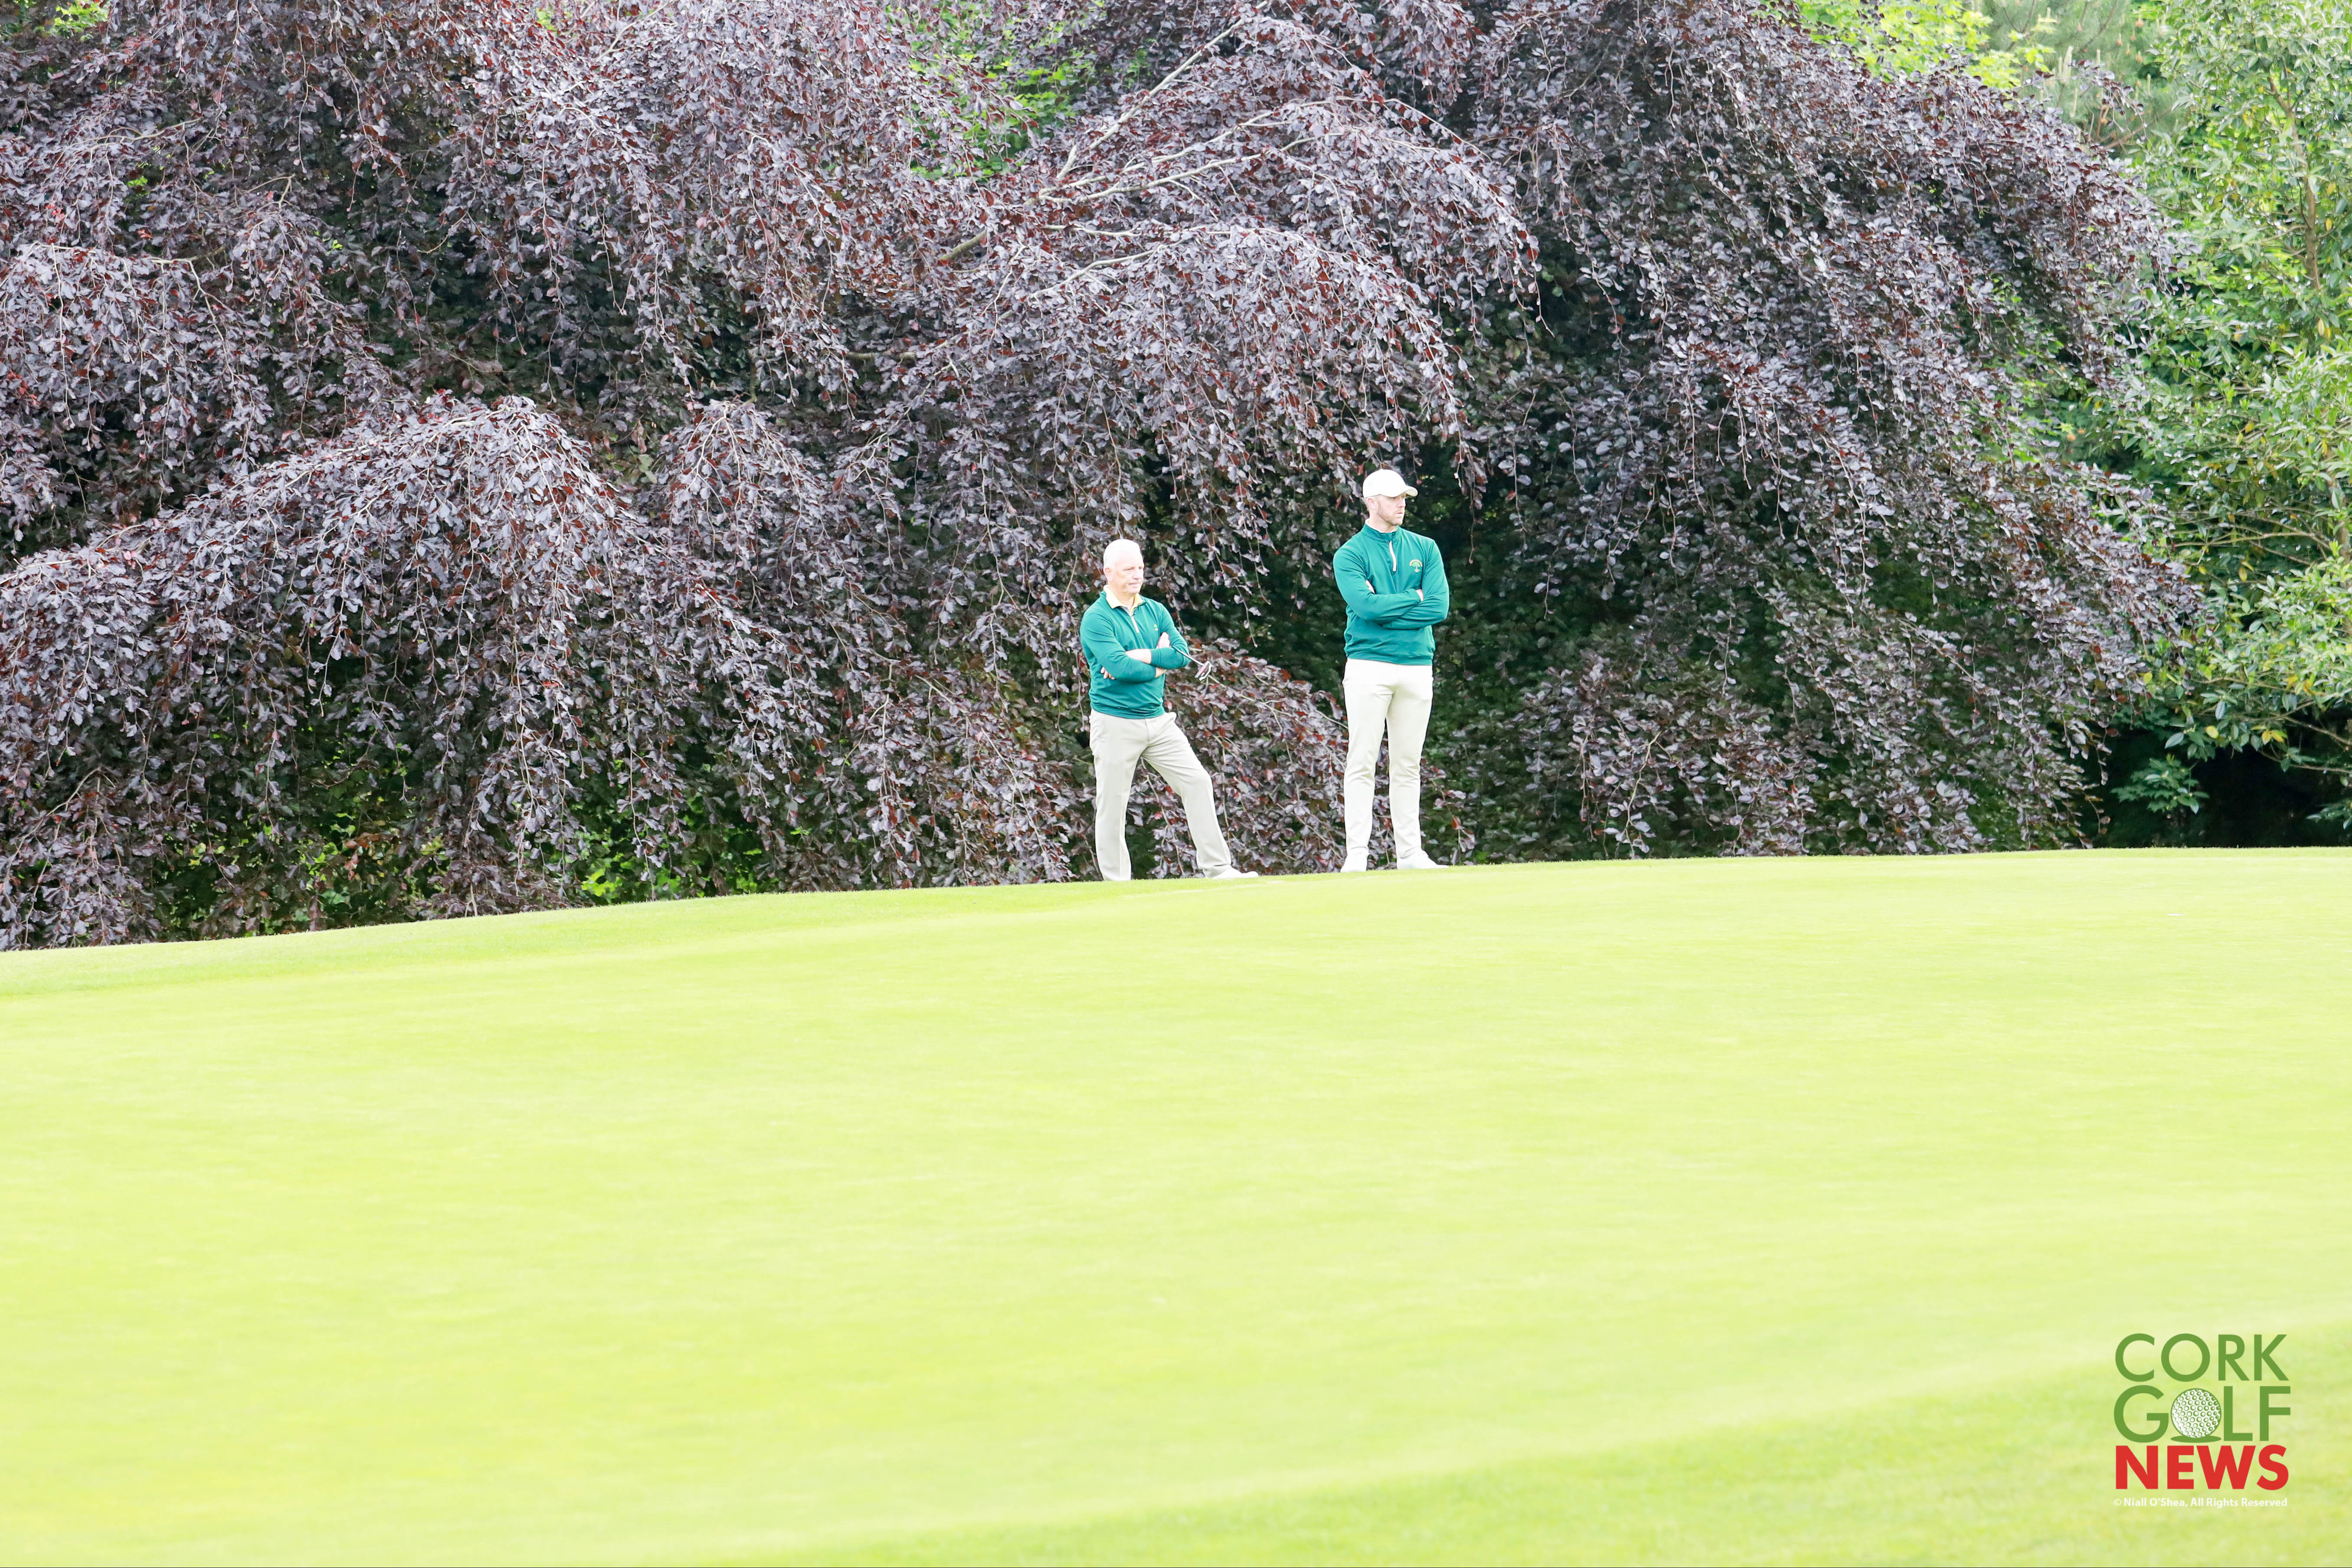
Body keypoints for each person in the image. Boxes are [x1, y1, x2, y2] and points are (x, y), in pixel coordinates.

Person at [1081, 539, 1257, 882]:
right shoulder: (1097, 618)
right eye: (1129, 569)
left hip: (1159, 721)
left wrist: (1141, 656)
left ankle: (1218, 869)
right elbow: (1120, 668)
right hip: (1115, 722)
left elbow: (1180, 654)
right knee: (1113, 804)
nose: (1137, 575)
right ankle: (1117, 884)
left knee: (1198, 782)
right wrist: (1158, 664)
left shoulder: (1156, 610)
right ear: (1108, 572)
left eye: (1140, 568)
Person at [1333, 468, 1450, 872]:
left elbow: (1439, 607)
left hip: (1417, 665)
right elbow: (1366, 608)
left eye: (1404, 497)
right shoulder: (1350, 554)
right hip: (1368, 666)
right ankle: (1357, 856)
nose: (1401, 504)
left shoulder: (1426, 548)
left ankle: (1410, 854)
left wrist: (1390, 607)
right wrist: (1414, 597)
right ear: (1371, 502)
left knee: (1408, 764)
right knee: (1362, 761)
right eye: (1393, 498)